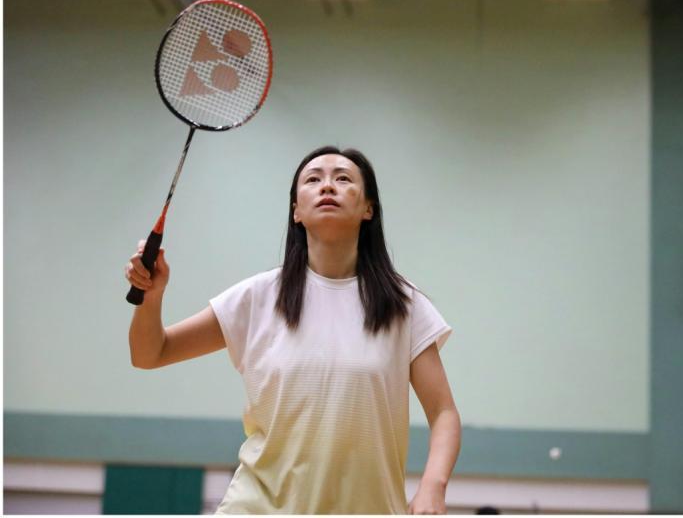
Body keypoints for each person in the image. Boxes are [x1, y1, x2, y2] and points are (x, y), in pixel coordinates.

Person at [126, 146, 461, 514]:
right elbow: (149, 354)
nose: (328, 186)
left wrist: (433, 485)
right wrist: (152, 297)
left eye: (344, 178)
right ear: (296, 212)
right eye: (313, 179)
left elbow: (443, 412)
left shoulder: (403, 305)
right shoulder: (257, 297)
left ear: (368, 208)